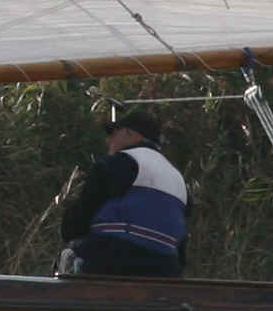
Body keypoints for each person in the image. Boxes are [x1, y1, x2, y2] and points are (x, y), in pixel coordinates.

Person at [52, 111, 191, 278]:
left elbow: (79, 220)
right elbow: (181, 246)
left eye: (113, 133)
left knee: (69, 255)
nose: (108, 140)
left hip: (114, 257)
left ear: (129, 133)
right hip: (166, 268)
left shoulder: (118, 163)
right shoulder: (179, 179)